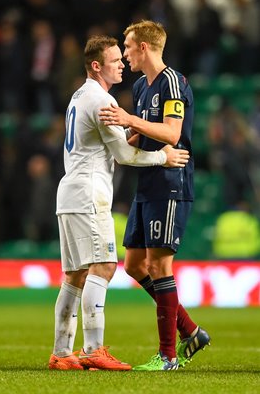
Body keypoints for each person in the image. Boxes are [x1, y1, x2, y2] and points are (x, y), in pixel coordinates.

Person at [49, 34, 190, 371]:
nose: (122, 64)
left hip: (69, 192)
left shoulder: (79, 95)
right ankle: (94, 349)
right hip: (90, 194)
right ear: (97, 66)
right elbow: (124, 155)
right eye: (115, 60)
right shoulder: (102, 101)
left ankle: (61, 352)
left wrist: (133, 132)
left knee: (74, 275)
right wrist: (163, 158)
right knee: (104, 267)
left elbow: (109, 144)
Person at [99, 20, 210, 371]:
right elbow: (143, 135)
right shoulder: (141, 87)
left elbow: (172, 133)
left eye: (128, 47)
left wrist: (130, 120)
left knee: (160, 265)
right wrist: (113, 146)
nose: (125, 54)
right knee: (133, 265)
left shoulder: (172, 82)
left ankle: (168, 356)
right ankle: (190, 329)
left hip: (170, 183)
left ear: (144, 47)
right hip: (147, 185)